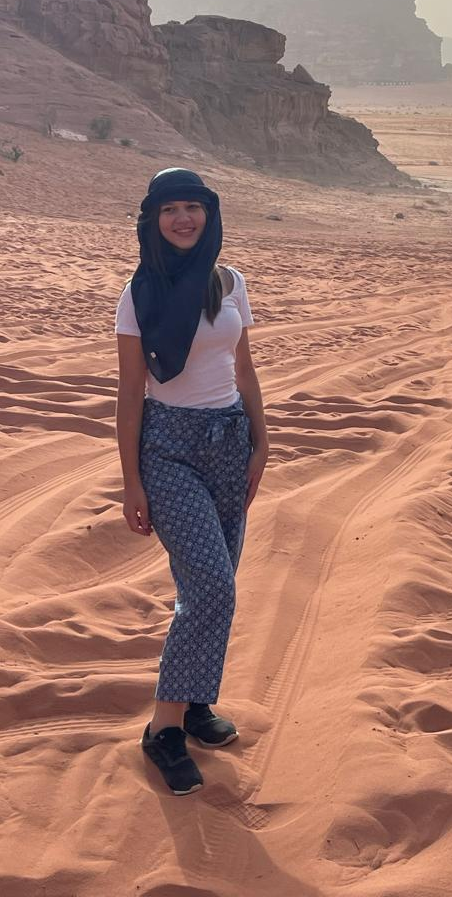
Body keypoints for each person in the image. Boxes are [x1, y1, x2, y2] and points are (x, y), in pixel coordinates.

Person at [114, 167, 268, 795]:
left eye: (193, 207)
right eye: (170, 208)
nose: (183, 218)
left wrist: (263, 440)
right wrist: (131, 480)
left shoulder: (231, 283)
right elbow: (129, 393)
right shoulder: (139, 293)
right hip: (168, 446)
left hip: (230, 440)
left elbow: (245, 367)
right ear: (152, 220)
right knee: (210, 584)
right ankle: (163, 731)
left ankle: (197, 699)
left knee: (218, 578)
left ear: (209, 216)